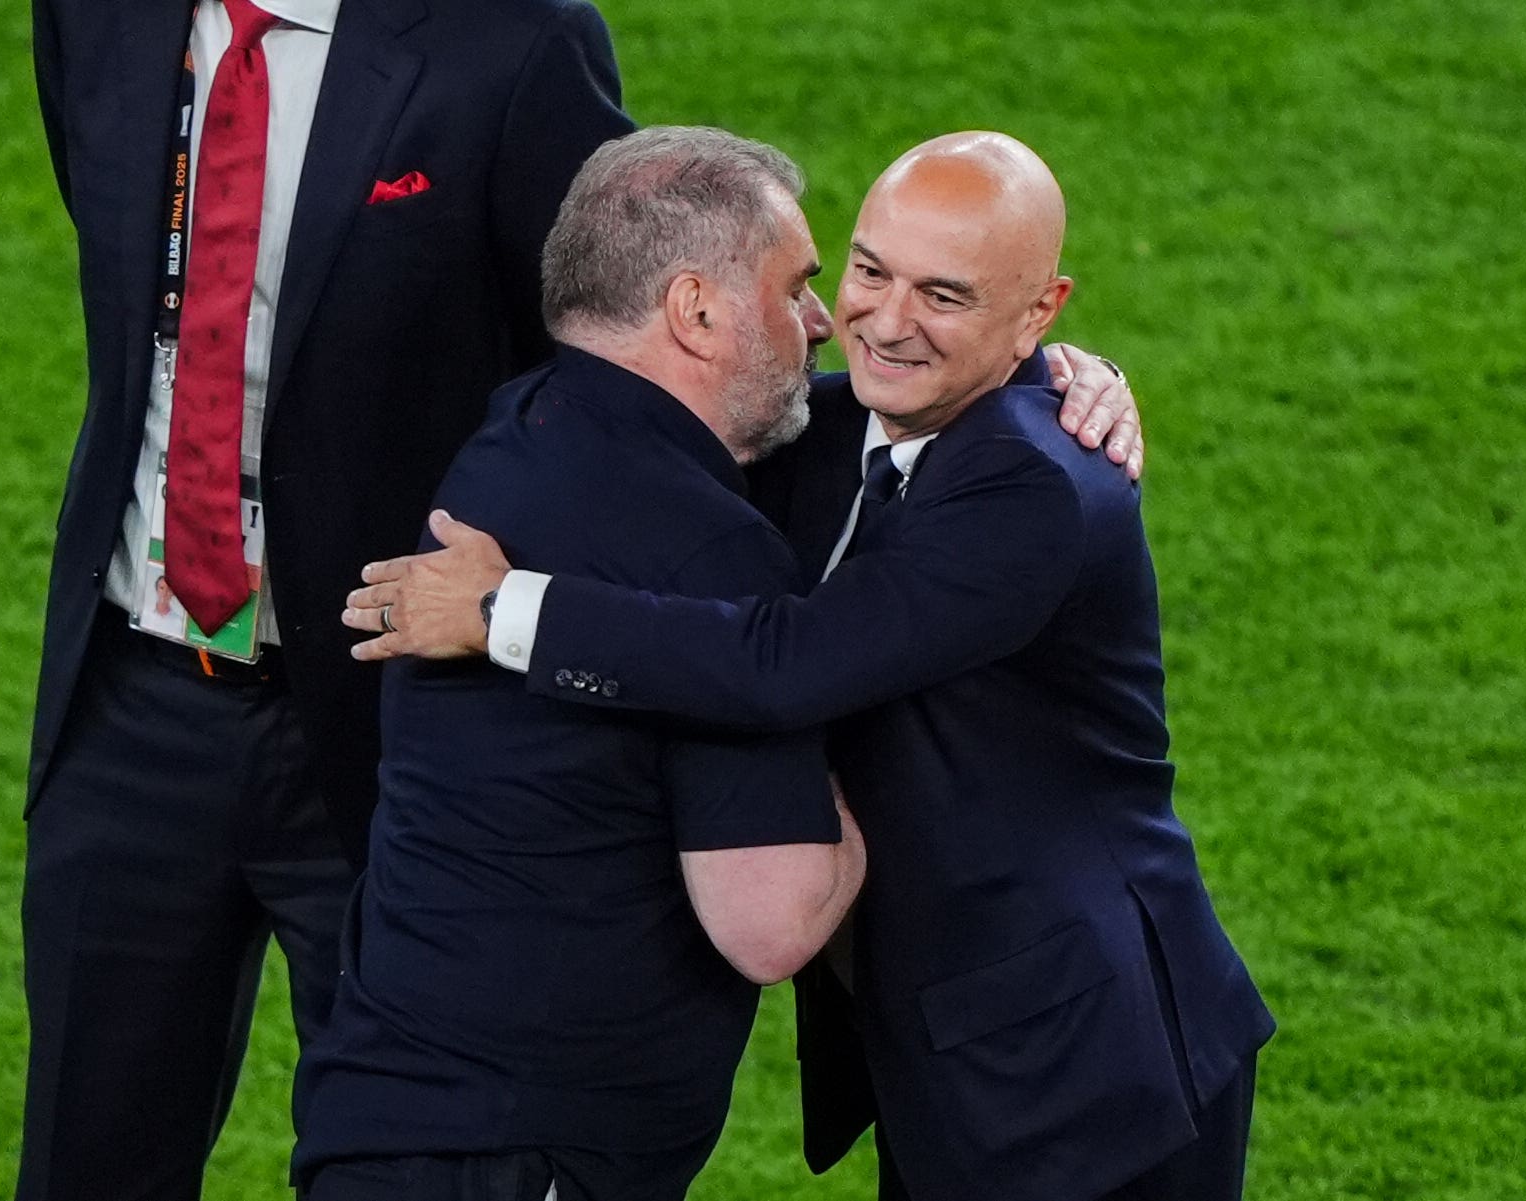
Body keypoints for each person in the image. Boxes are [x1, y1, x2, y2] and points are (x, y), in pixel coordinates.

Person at [346, 133, 1275, 1201]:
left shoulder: (1037, 488)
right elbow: (652, 422)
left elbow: (783, 664)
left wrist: (501, 611)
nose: (878, 321)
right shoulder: (839, 427)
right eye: (869, 271)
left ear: (1038, 314)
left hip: (1083, 1059)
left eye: (944, 295)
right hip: (945, 1037)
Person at [18, 2, 631, 1197]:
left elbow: (618, 357)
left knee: (404, 1170)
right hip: (129, 707)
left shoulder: (515, 38)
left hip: (404, 724)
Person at [290, 126, 865, 1201]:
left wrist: (1046, 380)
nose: (824, 321)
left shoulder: (517, 437)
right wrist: (873, 775)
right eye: (796, 287)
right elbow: (769, 920)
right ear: (696, 311)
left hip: (385, 1110)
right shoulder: (707, 548)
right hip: (527, 1154)